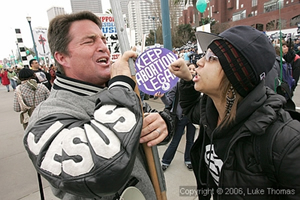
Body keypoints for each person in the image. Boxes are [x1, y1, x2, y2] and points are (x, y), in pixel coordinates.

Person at [23, 11, 173, 200]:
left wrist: (164, 124)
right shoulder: (47, 116)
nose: (104, 47)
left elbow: (149, 124)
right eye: (89, 41)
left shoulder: (114, 92)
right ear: (62, 57)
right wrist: (120, 84)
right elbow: (100, 171)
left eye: (103, 39)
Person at [169, 26, 300, 199]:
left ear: (235, 74)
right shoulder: (213, 111)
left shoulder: (286, 142)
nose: (199, 62)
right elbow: (190, 109)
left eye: (210, 58)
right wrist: (187, 79)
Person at [155, 63, 196, 171]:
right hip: (180, 117)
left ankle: (189, 160)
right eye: (189, 68)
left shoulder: (198, 84)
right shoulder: (177, 85)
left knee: (190, 140)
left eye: (193, 69)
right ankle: (165, 161)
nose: (191, 71)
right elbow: (168, 101)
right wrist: (163, 96)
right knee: (175, 140)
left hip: (193, 117)